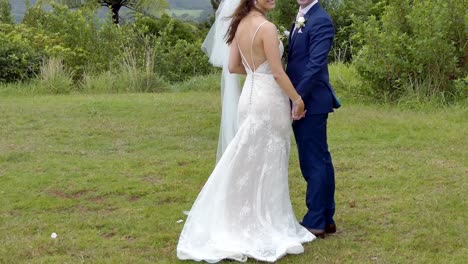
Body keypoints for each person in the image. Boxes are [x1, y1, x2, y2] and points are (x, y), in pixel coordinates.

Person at [177, 0, 314, 262]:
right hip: (269, 100)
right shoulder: (267, 28)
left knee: (249, 160)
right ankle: (267, 220)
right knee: (270, 161)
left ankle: (240, 215)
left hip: (249, 97)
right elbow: (277, 72)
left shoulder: (238, 25)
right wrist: (297, 99)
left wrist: (255, 72)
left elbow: (233, 66)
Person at [286, 0, 341, 238]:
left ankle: (315, 220)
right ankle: (326, 218)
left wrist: (298, 98)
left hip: (310, 101)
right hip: (305, 98)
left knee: (313, 162)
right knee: (320, 159)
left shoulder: (321, 20)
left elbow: (315, 64)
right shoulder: (301, 16)